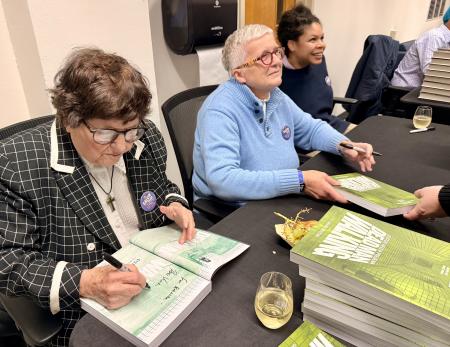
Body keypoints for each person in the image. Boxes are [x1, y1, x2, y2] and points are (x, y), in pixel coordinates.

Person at [0, 48, 195, 346]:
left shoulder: (144, 137)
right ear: (70, 119)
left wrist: (176, 204)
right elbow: (8, 262)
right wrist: (84, 282)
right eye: (105, 134)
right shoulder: (15, 164)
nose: (122, 147)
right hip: (84, 312)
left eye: (130, 131)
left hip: (158, 281)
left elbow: (162, 185)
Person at [192, 24, 375, 205]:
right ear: (239, 75)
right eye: (264, 57)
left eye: (276, 52)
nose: (277, 61)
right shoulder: (219, 111)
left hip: (283, 196)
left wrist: (343, 145)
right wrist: (299, 180)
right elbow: (223, 180)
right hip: (238, 211)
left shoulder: (274, 95)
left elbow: (310, 129)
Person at [277, 4, 354, 134]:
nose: (322, 45)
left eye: (322, 38)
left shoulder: (318, 61)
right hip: (305, 138)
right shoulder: (275, 75)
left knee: (373, 134)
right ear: (292, 45)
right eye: (313, 39)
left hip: (329, 125)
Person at [391, 7, 450, 88]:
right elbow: (429, 71)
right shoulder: (434, 37)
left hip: (423, 88)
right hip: (404, 90)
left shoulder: (446, 39)